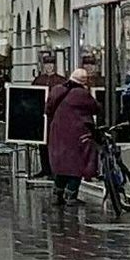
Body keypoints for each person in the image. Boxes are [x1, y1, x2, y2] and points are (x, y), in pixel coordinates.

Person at [42, 68, 102, 212]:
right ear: (84, 82)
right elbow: (96, 108)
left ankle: (57, 194)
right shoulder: (81, 94)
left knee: (61, 164)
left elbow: (48, 109)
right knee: (77, 164)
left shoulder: (57, 90)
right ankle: (71, 196)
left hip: (57, 132)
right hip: (76, 134)